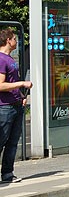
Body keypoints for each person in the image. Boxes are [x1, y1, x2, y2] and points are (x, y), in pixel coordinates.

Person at [0, 28, 33, 184]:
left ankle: (7, 173)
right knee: (1, 140)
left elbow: (11, 83)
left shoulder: (10, 59)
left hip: (16, 105)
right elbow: (0, 85)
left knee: (13, 142)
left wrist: (20, 96)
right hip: (4, 107)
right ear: (8, 40)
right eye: (15, 39)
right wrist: (22, 84)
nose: (16, 41)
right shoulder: (1, 59)